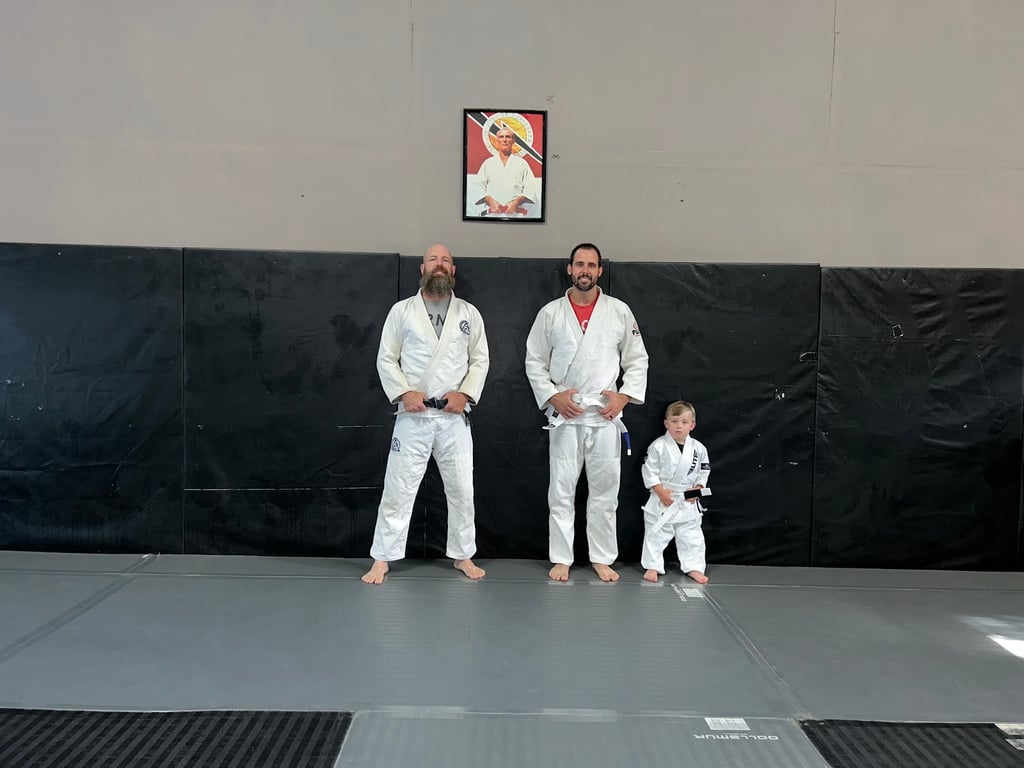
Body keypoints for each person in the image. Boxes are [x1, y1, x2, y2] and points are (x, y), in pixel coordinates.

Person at [362, 244, 490, 584]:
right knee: (398, 488)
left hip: (453, 417)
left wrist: (465, 394)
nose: (439, 264)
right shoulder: (402, 311)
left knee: (462, 490)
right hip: (413, 415)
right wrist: (404, 393)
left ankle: (463, 555)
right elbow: (386, 358)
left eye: (445, 260)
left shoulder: (468, 313)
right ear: (422, 268)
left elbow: (480, 360)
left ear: (453, 270)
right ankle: (382, 557)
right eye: (433, 259)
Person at [524, 243, 649, 582]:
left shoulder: (619, 311)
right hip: (565, 415)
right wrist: (553, 396)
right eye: (579, 264)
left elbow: (637, 359)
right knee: (561, 490)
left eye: (591, 265)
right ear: (569, 269)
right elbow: (534, 361)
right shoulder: (551, 313)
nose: (585, 270)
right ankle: (561, 557)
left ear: (600, 271)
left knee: (605, 491)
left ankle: (602, 557)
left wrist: (624, 397)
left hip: (604, 414)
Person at [640, 401, 711, 584]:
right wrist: (660, 491)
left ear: (692, 425)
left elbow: (704, 471)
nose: (679, 426)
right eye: (674, 421)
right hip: (663, 497)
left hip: (687, 499)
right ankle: (653, 565)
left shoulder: (699, 448)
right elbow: (649, 471)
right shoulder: (658, 446)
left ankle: (694, 567)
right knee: (655, 534)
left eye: (684, 422)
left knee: (692, 536)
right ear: (666, 423)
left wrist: (698, 488)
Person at [469, 126, 540, 218]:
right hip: (492, 214)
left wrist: (516, 202)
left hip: (515, 214)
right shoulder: (488, 163)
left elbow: (530, 188)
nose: (504, 140)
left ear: (513, 141)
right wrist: (490, 201)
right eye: (501, 137)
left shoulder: (522, 164)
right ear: (497, 141)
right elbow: (478, 186)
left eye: (508, 137)